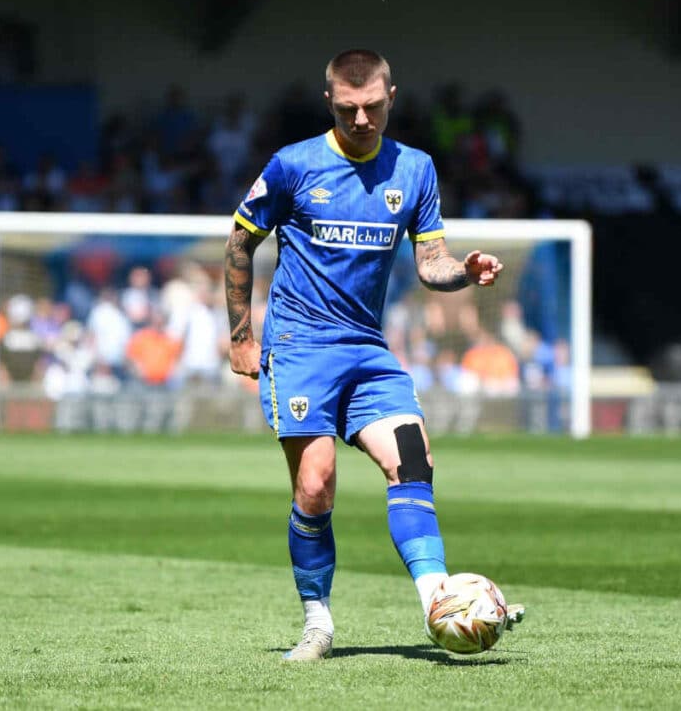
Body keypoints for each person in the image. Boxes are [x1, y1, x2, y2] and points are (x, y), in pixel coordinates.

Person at [223, 49, 523, 662]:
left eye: (373, 107)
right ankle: (318, 624)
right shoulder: (293, 166)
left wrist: (463, 271)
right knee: (317, 485)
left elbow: (431, 263)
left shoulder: (415, 170)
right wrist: (240, 337)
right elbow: (238, 243)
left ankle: (438, 603)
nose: (362, 119)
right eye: (348, 108)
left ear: (392, 96)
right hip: (301, 348)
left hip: (367, 349)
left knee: (413, 461)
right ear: (329, 101)